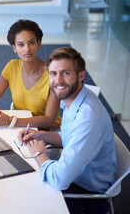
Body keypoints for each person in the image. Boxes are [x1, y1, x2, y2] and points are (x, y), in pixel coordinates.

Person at [18, 47, 116, 213]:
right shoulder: (75, 97)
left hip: (84, 194)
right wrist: (40, 134)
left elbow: (59, 180)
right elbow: (70, 137)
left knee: (21, 197)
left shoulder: (88, 118)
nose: (58, 80)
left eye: (66, 73)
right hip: (75, 175)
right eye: (53, 74)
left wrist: (39, 154)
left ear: (81, 75)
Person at [0, 19, 61, 130]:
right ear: (14, 48)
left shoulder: (53, 75)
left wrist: (10, 121)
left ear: (38, 43)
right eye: (21, 44)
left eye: (31, 43)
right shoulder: (12, 67)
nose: (27, 49)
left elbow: (48, 121)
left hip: (48, 133)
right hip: (21, 128)